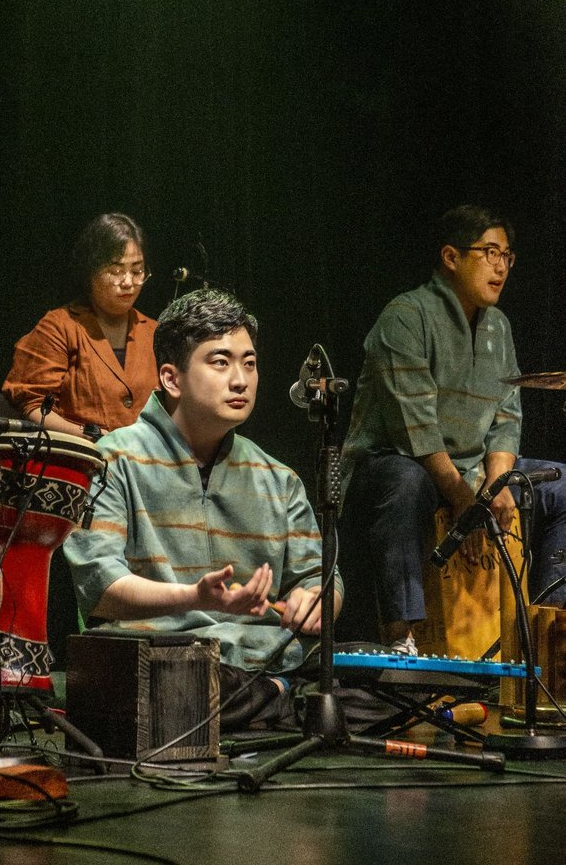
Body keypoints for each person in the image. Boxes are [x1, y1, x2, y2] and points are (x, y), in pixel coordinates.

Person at [64, 287, 343, 728]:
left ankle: (277, 696)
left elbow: (318, 577)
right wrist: (194, 597)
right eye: (220, 362)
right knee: (179, 692)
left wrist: (315, 601)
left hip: (262, 663)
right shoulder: (112, 460)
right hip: (165, 660)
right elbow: (101, 587)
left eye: (249, 363)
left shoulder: (278, 478)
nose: (240, 380)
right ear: (172, 379)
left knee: (377, 684)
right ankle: (280, 702)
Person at [337, 204, 566, 653]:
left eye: (507, 255)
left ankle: (550, 628)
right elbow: (414, 430)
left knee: (562, 485)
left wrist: (497, 482)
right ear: (450, 256)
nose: (501, 265)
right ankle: (400, 637)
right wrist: (465, 500)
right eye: (490, 252)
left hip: (472, 472)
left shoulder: (499, 326)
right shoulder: (406, 316)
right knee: (407, 480)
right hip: (396, 464)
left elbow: (506, 416)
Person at [3, 213, 158, 437]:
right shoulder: (59, 327)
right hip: (82, 459)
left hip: (146, 464)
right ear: (91, 271)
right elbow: (33, 404)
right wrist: (90, 436)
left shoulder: (155, 332)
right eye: (115, 271)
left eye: (137, 271)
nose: (128, 282)